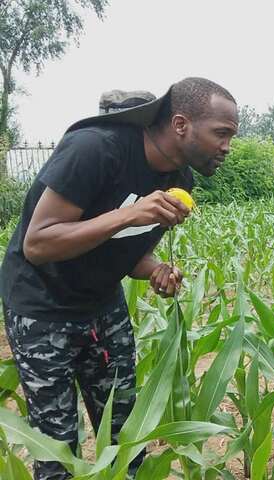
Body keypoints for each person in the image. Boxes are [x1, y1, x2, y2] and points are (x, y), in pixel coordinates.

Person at [0, 77, 239, 479]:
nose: (227, 147)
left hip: (102, 306)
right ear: (181, 124)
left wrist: (157, 270)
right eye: (221, 133)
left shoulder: (178, 181)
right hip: (42, 307)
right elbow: (37, 244)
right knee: (58, 448)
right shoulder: (94, 149)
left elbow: (130, 254)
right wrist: (129, 213)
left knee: (128, 436)